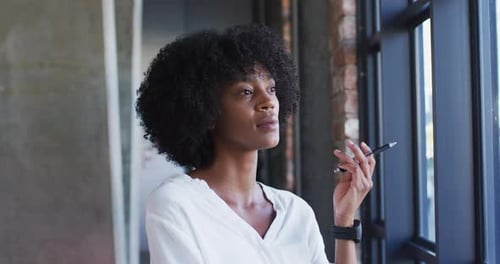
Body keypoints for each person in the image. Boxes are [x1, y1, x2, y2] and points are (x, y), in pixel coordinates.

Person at [136, 24, 375, 264]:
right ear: (207, 111)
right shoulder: (176, 204)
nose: (269, 101)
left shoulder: (296, 211)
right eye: (246, 92)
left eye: (271, 88)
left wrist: (344, 222)